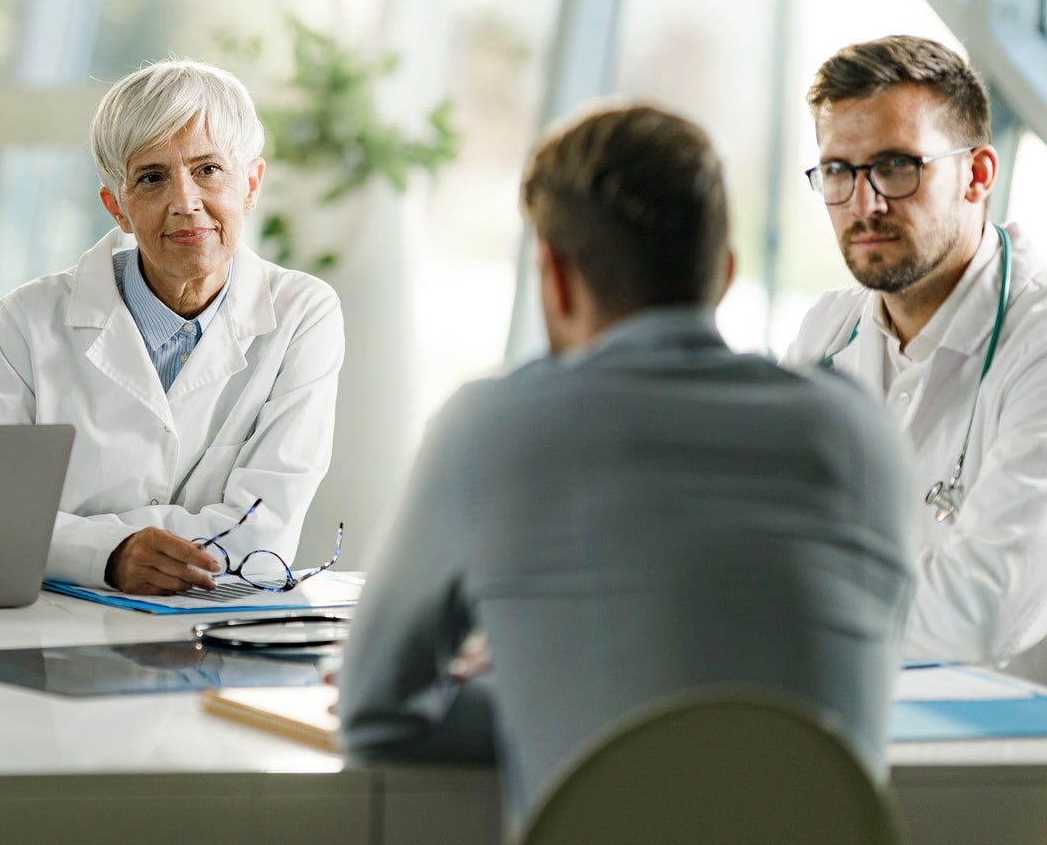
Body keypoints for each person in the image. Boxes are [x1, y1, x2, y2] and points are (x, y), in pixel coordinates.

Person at [337, 105, 912, 825]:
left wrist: (551, 700)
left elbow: (376, 714)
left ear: (554, 277)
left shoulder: (491, 427)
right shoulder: (861, 432)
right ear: (724, 274)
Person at [0, 59, 345, 593]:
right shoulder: (27, 320)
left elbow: (265, 537)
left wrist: (73, 540)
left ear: (251, 184)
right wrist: (110, 555)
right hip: (60, 623)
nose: (185, 203)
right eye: (151, 178)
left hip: (222, 618)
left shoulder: (303, 314)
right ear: (117, 207)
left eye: (208, 169)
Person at [782, 36, 1047, 670]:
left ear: (978, 175)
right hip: (853, 706)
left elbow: (980, 612)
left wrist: (780, 609)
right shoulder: (827, 332)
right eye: (839, 172)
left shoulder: (1035, 341)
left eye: (897, 166)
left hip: (1001, 730)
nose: (864, 204)